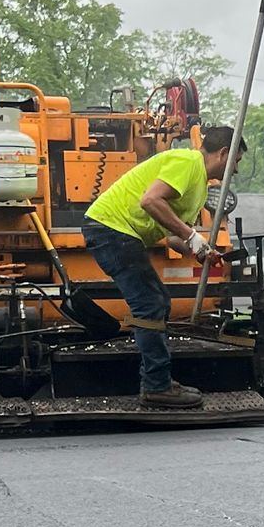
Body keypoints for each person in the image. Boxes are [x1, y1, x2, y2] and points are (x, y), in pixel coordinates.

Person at [82, 124, 236, 411]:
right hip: (111, 229)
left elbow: (172, 233)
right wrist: (193, 237)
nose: (236, 171)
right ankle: (156, 386)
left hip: (116, 232)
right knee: (151, 304)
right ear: (224, 153)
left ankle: (158, 381)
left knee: (156, 303)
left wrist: (199, 250)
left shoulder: (198, 185)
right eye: (236, 161)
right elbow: (150, 201)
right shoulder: (188, 162)